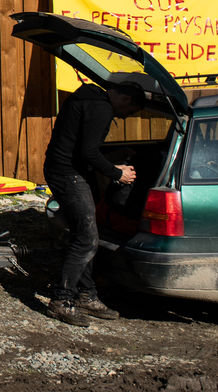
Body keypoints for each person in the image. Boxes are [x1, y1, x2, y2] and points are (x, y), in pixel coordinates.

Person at [42, 73, 146, 326]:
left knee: (83, 234)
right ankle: (62, 300)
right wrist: (117, 173)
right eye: (129, 111)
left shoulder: (86, 99)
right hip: (68, 174)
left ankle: (86, 295)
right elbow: (88, 152)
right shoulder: (101, 108)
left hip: (61, 169)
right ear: (125, 98)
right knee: (87, 239)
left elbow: (81, 147)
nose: (125, 116)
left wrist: (112, 160)